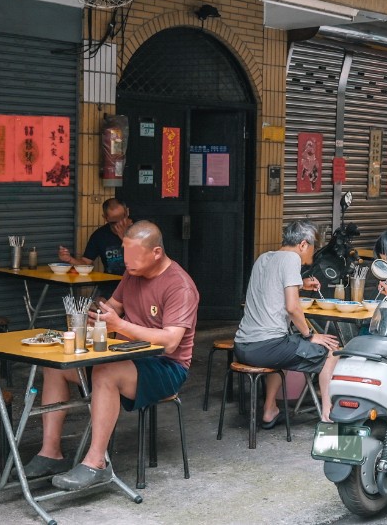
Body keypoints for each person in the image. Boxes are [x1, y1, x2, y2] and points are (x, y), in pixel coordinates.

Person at [24, 221, 199, 490]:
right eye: (125, 256)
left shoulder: (180, 286)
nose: (126, 264)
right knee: (57, 366)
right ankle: (51, 453)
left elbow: (171, 342)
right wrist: (92, 316)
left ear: (156, 253)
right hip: (125, 355)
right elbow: (112, 308)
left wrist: (121, 326)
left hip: (166, 367)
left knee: (107, 372)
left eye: (133, 258)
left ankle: (97, 463)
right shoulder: (132, 273)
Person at [234, 220, 340, 425]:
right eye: (313, 248)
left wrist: (300, 285)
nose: (312, 254)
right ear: (302, 245)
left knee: (286, 349)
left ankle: (270, 409)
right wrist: (311, 335)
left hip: (243, 346)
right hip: (266, 348)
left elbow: (271, 289)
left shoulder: (263, 258)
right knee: (331, 351)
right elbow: (292, 307)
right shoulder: (292, 259)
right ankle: (328, 412)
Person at [58, 198, 132, 275]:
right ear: (105, 218)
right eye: (114, 221)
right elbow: (86, 262)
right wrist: (70, 259)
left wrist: (125, 239)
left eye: (121, 218)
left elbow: (143, 261)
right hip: (111, 283)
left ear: (127, 212)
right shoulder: (100, 235)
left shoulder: (141, 229)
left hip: (136, 283)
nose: (119, 223)